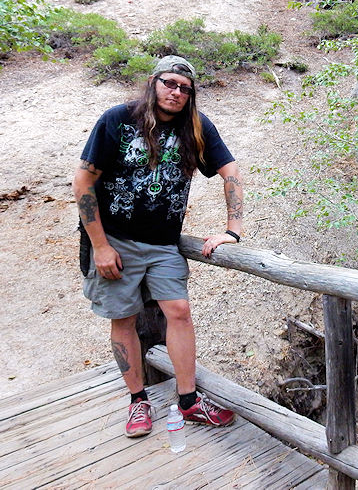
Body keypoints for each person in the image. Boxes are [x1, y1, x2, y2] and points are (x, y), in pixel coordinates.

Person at [73, 55, 243, 438]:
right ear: (153, 82)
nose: (176, 92)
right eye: (169, 83)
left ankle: (188, 400)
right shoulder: (117, 120)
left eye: (185, 88)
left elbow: (230, 171)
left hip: (164, 243)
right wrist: (100, 246)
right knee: (124, 318)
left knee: (179, 311)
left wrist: (232, 230)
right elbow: (83, 182)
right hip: (115, 241)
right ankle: (138, 401)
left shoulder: (196, 126)